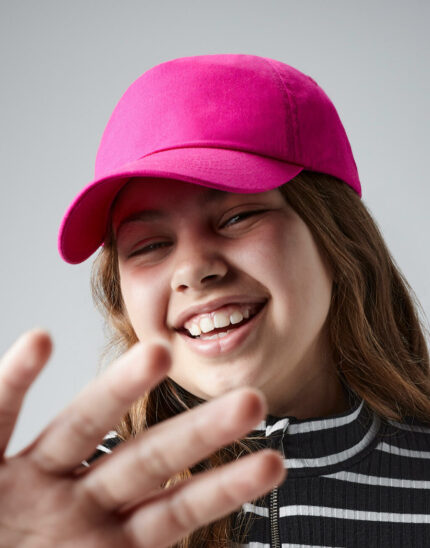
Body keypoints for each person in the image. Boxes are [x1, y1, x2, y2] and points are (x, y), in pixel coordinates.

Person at [2, 54, 430, 547]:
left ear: (338, 238)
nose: (193, 270)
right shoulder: (76, 512)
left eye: (237, 217)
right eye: (149, 245)